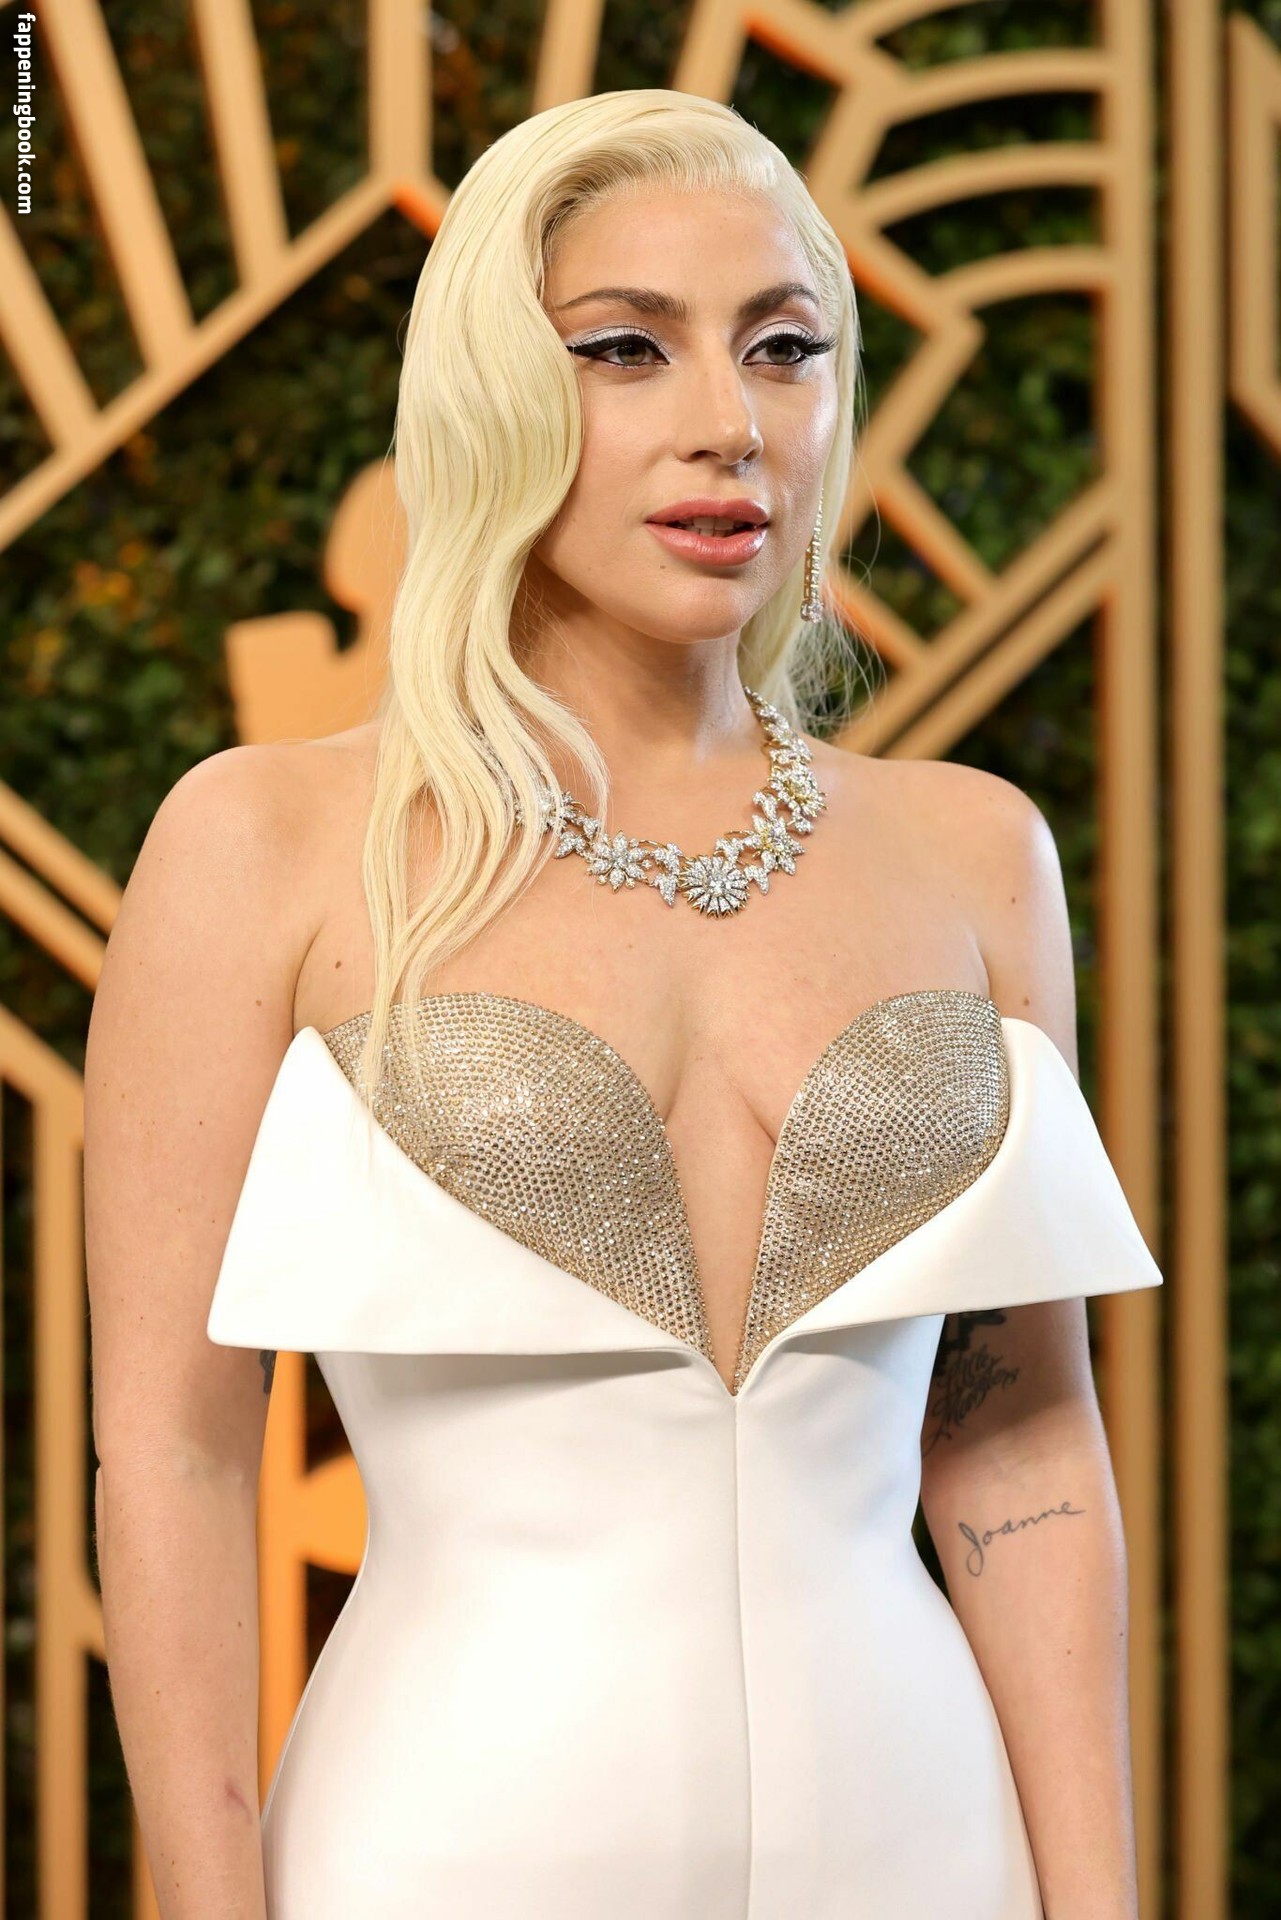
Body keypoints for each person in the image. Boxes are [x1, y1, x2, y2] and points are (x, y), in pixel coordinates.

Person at [84, 88, 1162, 1920]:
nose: (727, 420)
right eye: (625, 349)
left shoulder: (973, 852)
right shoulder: (266, 846)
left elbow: (1016, 1438)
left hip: (929, 1848)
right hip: (441, 1852)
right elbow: (177, 1456)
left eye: (782, 348)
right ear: (491, 390)